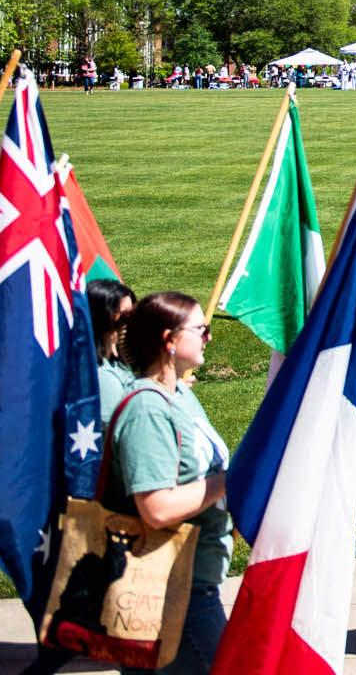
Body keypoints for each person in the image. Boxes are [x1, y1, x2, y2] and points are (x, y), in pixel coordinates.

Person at [109, 293, 232, 675]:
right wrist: (229, 480)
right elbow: (156, 507)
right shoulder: (148, 409)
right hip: (168, 594)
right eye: (201, 329)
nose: (209, 337)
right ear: (170, 340)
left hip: (191, 584)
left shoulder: (179, 395)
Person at [86, 278, 137, 421]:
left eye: (132, 314)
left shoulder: (117, 364)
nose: (130, 322)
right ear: (101, 320)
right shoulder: (102, 377)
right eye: (123, 316)